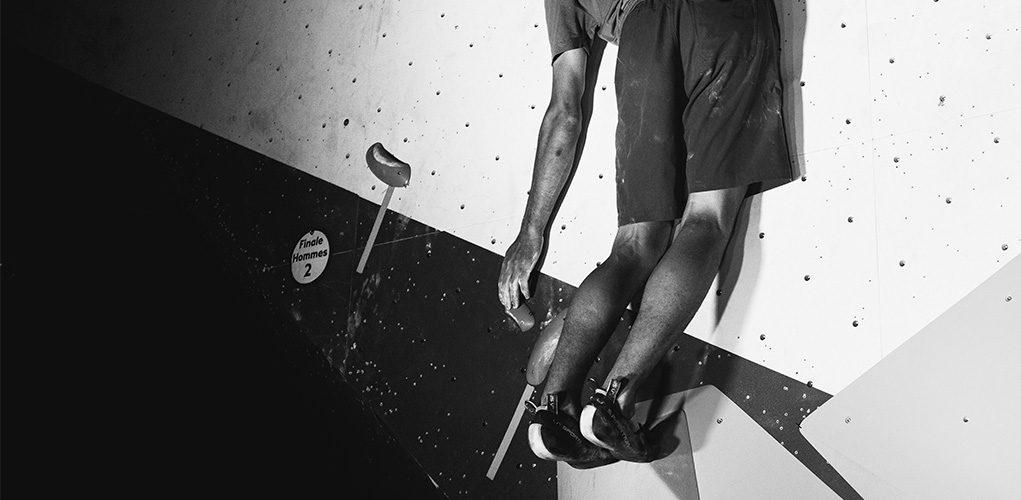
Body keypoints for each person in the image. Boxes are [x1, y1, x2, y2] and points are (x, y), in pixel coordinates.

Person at [498, 0, 794, 468]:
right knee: (707, 220)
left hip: (642, 31)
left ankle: (554, 410)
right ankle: (612, 403)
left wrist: (531, 230)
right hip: (720, 17)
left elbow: (564, 110)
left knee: (632, 247)